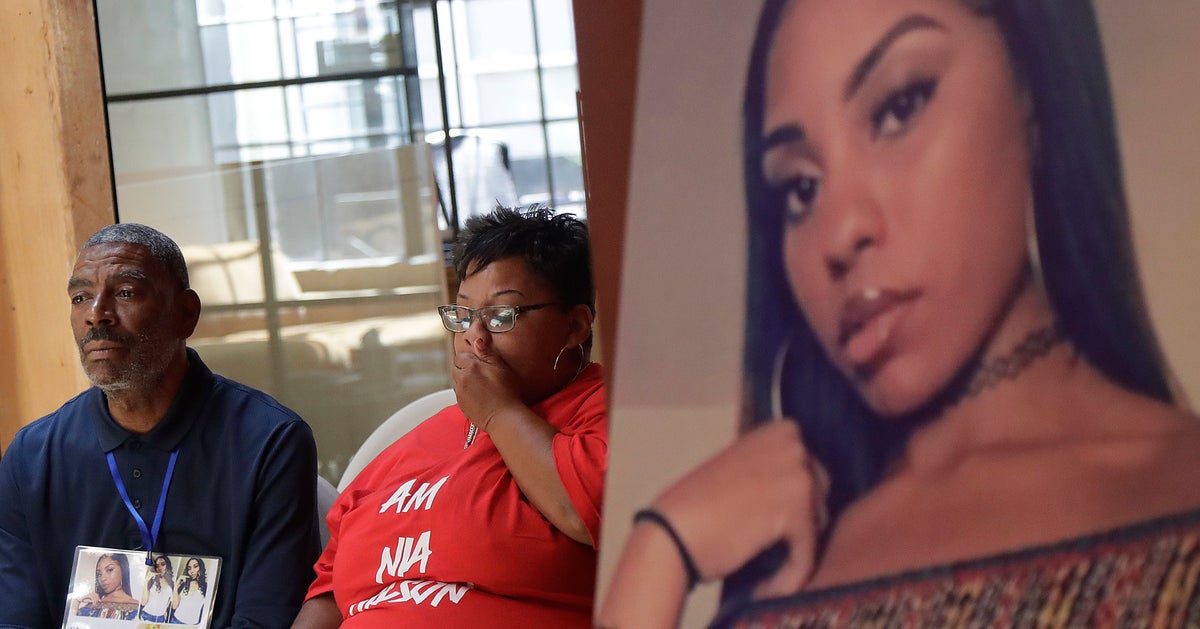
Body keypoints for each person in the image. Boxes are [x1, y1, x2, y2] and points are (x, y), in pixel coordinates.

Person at [599, 0, 1200, 626]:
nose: (840, 234)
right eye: (802, 189)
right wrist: (659, 551)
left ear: (1033, 86)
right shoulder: (786, 557)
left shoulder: (1178, 485)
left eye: (899, 108)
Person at [291, 206, 606, 627]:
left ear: (575, 326)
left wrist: (497, 411)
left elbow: (585, 512)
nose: (475, 337)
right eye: (463, 315)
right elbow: (330, 589)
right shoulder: (413, 444)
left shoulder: (611, 410)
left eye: (500, 316)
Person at [0, 223, 322, 628]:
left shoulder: (269, 442)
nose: (96, 314)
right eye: (80, 297)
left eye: (125, 293)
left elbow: (266, 618)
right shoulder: (32, 457)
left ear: (186, 314)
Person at [76, 553, 139, 620]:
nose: (102, 579)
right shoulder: (93, 605)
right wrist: (77, 602)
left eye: (109, 570)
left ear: (123, 570)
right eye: (99, 574)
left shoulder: (138, 609)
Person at [172, 557, 210, 625]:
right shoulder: (184, 584)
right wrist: (176, 587)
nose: (192, 571)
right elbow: (174, 606)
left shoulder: (206, 587)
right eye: (189, 568)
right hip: (176, 620)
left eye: (195, 566)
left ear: (201, 567)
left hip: (191, 624)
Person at [141, 554, 175, 622]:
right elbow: (143, 602)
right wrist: (147, 580)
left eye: (163, 564)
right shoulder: (152, 580)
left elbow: (168, 600)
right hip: (147, 615)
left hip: (161, 617)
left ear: (167, 566)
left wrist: (165, 612)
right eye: (157, 565)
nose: (160, 567)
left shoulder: (172, 582)